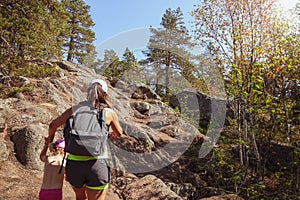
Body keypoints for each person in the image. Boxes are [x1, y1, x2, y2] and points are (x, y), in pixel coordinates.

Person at [47, 79, 123, 200]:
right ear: (105, 95)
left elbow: (52, 126)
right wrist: (112, 134)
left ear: (88, 93)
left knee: (80, 197)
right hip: (97, 164)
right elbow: (119, 132)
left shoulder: (75, 109)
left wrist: (50, 141)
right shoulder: (108, 113)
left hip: (74, 165)